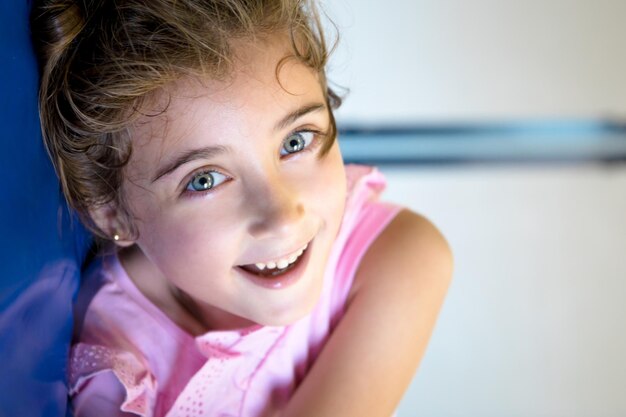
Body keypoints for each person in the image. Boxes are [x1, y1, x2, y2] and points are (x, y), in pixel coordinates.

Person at [31, 0, 453, 415]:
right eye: (205, 180)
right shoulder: (118, 364)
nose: (282, 217)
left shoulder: (392, 257)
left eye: (295, 142)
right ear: (111, 214)